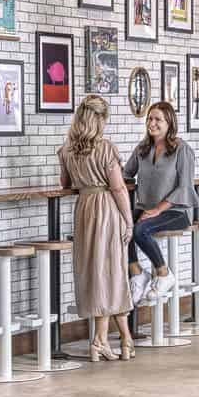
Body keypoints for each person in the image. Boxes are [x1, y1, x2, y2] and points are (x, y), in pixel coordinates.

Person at [60, 93, 137, 361]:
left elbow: (65, 184)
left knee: (94, 273)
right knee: (112, 272)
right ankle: (101, 340)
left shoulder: (67, 150)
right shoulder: (105, 148)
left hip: (83, 209)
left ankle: (117, 340)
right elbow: (118, 187)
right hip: (106, 208)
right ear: (99, 119)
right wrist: (128, 220)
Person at [125, 99, 198, 301]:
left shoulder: (182, 149)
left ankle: (164, 273)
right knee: (121, 224)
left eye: (158, 119)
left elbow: (184, 187)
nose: (152, 123)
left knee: (140, 230)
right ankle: (137, 273)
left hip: (176, 212)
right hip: (145, 208)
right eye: (149, 119)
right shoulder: (142, 148)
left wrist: (158, 209)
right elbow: (126, 173)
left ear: (169, 123)